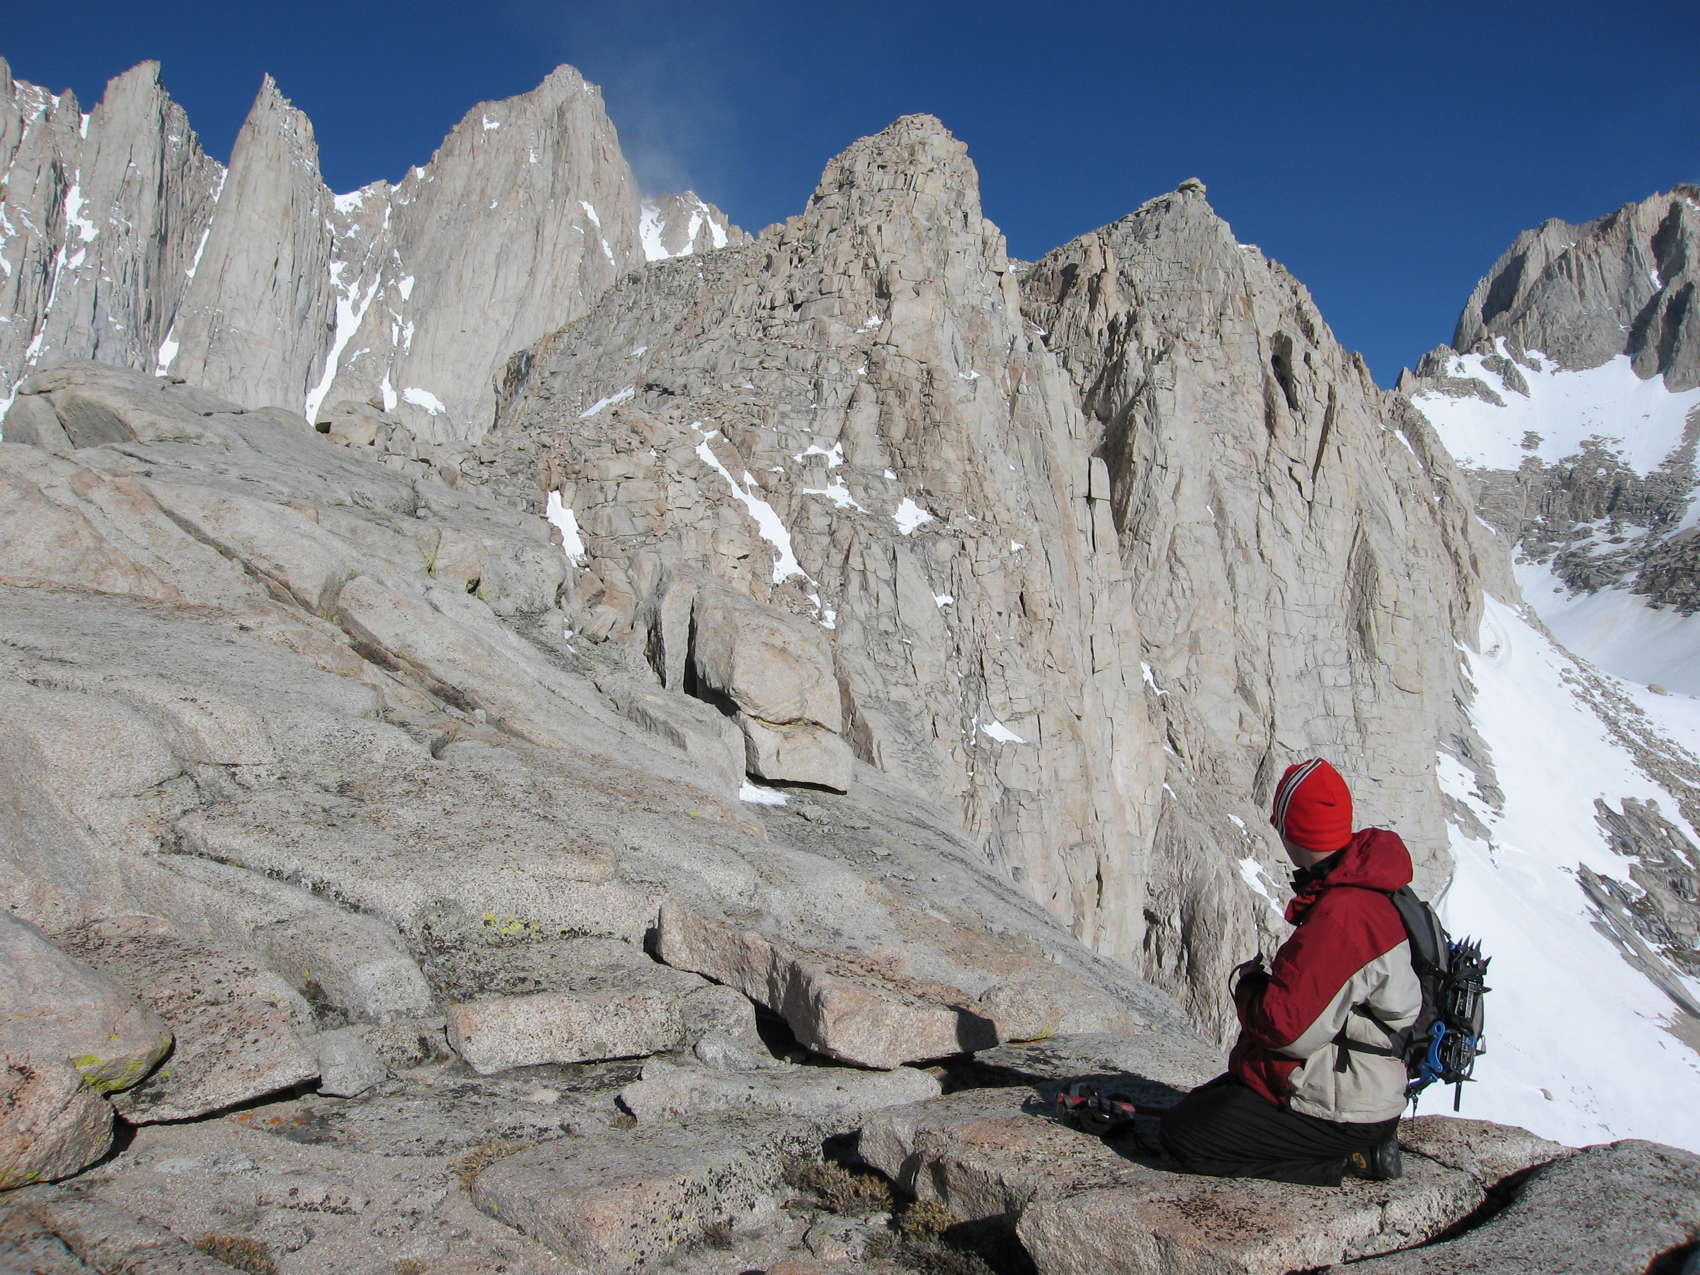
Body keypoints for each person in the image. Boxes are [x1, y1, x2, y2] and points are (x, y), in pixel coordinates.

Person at [1159, 757, 1419, 1186]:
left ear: (1293, 832)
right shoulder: (1365, 887)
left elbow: (1287, 1032)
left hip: (1348, 1104)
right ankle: (1352, 1144)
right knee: (1203, 1104)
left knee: (1187, 1137)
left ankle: (1349, 1157)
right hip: (1360, 1082)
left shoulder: (1344, 915)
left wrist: (1249, 989)